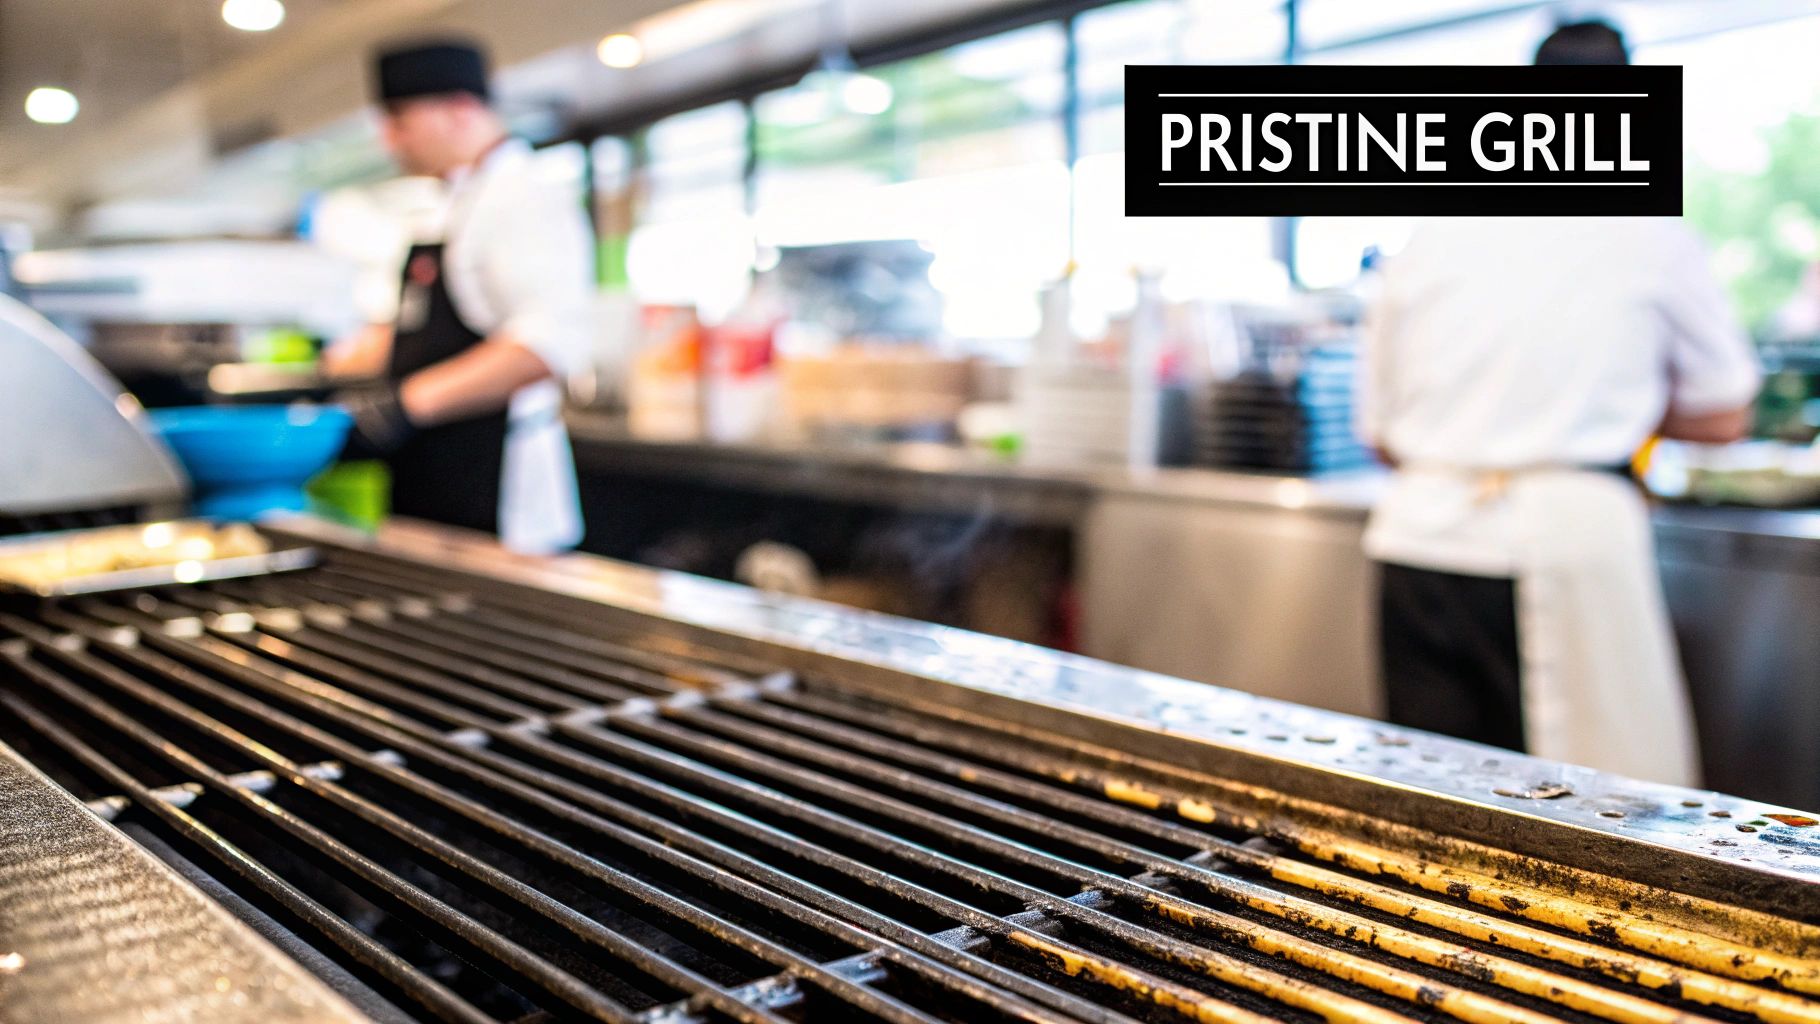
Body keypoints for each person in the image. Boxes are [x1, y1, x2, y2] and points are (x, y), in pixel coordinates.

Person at [1355, 21, 1762, 785]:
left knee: (1431, 805)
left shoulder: (1434, 227)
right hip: (1564, 543)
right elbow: (1725, 414)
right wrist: (1610, 405)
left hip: (1417, 541)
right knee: (1581, 814)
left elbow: (1381, 434)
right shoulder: (1649, 226)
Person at [326, 39, 590, 554]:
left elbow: (547, 344)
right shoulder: (460, 199)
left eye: (399, 120)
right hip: (436, 475)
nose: (389, 140)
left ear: (460, 109)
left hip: (493, 490)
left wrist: (405, 405)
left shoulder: (523, 196)